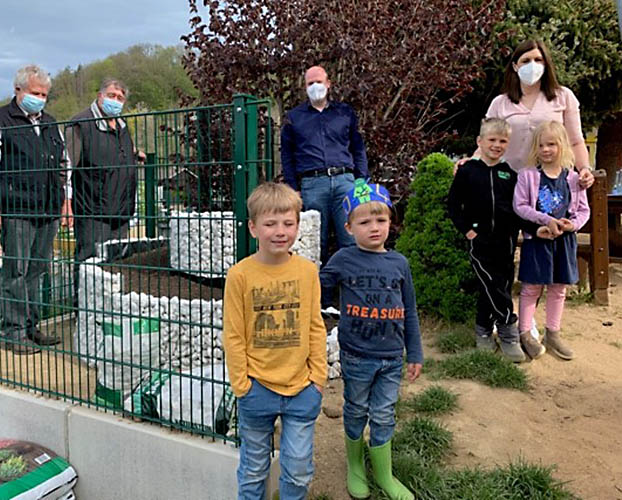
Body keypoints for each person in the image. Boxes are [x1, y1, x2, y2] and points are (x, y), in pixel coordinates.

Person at [223, 182, 327, 500]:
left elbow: (314, 326)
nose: (280, 231)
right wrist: (242, 385)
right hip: (257, 390)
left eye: (288, 223)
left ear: (297, 224)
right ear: (253, 227)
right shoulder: (239, 276)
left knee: (297, 468)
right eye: (270, 224)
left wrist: (318, 379)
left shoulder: (307, 272)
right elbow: (234, 335)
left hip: (302, 390)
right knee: (253, 468)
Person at [320, 179, 422, 500]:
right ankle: (355, 466)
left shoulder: (399, 263)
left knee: (383, 414)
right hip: (356, 356)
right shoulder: (342, 259)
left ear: (391, 222)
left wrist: (414, 352)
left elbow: (410, 311)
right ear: (349, 227)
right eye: (364, 222)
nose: (374, 228)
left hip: (392, 357)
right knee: (355, 409)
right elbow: (317, 289)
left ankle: (385, 474)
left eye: (381, 220)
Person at [0, 64, 72, 354]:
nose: (40, 99)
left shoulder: (51, 124)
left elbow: (63, 165)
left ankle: (31, 326)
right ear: (17, 90)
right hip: (15, 207)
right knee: (16, 270)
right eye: (34, 93)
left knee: (37, 270)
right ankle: (14, 332)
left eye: (44, 94)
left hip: (48, 208)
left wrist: (66, 202)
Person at [447, 118, 546, 362]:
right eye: (492, 140)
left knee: (497, 285)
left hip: (506, 241)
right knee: (490, 282)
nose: (497, 145)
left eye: (503, 141)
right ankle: (508, 330)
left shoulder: (509, 175)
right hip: (480, 241)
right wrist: (468, 231)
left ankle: (482, 329)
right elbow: (452, 205)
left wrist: (536, 228)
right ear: (480, 142)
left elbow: (517, 210)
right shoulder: (467, 171)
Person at [513, 121, 590, 360]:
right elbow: (520, 205)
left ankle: (553, 333)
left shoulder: (574, 178)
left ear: (562, 146)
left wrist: (572, 225)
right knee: (531, 287)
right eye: (541, 145)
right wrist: (545, 220)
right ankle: (525, 332)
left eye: (551, 144)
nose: (546, 150)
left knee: (558, 289)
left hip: (563, 242)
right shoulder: (528, 176)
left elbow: (583, 211)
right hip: (538, 241)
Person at [66, 78, 144, 310]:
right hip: (92, 207)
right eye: (111, 96)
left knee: (116, 263)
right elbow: (67, 164)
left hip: (121, 208)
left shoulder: (121, 126)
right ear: (100, 96)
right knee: (89, 263)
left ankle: (109, 311)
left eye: (120, 98)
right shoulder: (80, 124)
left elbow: (115, 152)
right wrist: (66, 202)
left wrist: (134, 154)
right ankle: (83, 311)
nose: (115, 101)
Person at [474, 40, 594, 189]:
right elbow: (487, 142)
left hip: (553, 184)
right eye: (525, 61)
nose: (532, 65)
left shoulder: (564, 96)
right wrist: (472, 161)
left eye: (538, 60)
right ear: (515, 66)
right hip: (510, 182)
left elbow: (575, 141)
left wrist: (584, 168)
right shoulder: (500, 103)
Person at [280, 65, 369, 264]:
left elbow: (358, 147)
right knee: (314, 242)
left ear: (328, 84)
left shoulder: (345, 113)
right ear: (305, 87)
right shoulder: (294, 118)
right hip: (312, 184)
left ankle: (350, 290)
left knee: (350, 238)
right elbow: (287, 156)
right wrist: (293, 188)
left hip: (345, 181)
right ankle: (319, 293)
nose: (315, 86)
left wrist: (361, 178)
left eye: (319, 81)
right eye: (310, 83)